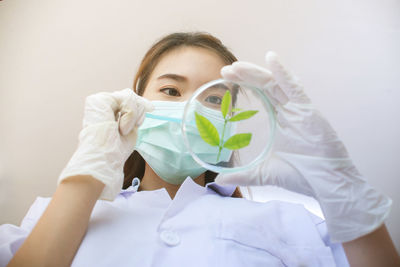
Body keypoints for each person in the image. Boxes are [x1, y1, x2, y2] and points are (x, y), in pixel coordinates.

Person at [1, 32, 399, 267]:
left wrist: (345, 191)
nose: (191, 109)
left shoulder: (293, 220)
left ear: (231, 126)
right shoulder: (58, 216)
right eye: (171, 90)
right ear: (136, 103)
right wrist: (87, 172)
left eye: (213, 100)